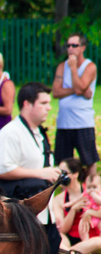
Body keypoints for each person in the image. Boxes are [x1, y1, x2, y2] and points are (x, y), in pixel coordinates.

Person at [0, 82, 62, 254]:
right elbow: (1, 169)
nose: (49, 107)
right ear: (27, 104)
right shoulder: (11, 132)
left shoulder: (38, 132)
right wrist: (41, 173)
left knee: (49, 253)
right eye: (43, 103)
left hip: (44, 213)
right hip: (23, 213)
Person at [52, 31, 98, 179]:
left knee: (89, 159)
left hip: (82, 121)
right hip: (64, 123)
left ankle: (93, 187)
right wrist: (77, 91)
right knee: (63, 160)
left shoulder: (89, 66)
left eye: (74, 45)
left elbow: (80, 87)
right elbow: (56, 91)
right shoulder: (61, 66)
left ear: (82, 48)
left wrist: (73, 68)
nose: (70, 48)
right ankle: (65, 187)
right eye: (68, 45)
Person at [53, 157, 101, 254]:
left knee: (98, 242)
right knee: (55, 235)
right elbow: (63, 230)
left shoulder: (91, 190)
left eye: (64, 173)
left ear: (75, 175)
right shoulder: (59, 200)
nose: (60, 176)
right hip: (69, 238)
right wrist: (73, 210)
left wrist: (90, 212)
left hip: (91, 239)